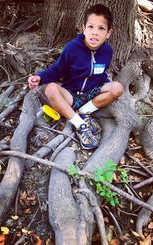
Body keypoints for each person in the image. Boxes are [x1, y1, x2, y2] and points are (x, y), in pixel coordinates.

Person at [28, 4, 123, 150]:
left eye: (101, 28)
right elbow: (56, 70)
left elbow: (102, 73)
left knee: (117, 88)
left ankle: (85, 111)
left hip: (92, 94)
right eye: (91, 27)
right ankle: (80, 124)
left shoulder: (107, 51)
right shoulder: (72, 48)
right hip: (71, 95)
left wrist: (107, 88)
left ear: (109, 33)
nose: (95, 33)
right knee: (51, 89)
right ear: (84, 28)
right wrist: (40, 78)